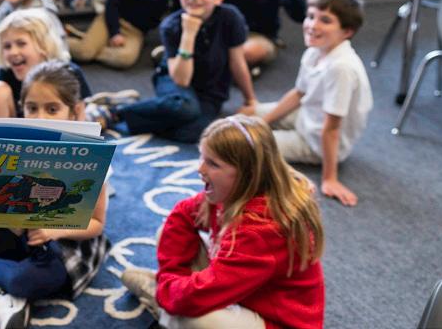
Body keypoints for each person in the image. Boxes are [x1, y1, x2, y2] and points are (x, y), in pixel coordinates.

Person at [0, 61, 110, 329]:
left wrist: (54, 232)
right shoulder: (15, 148)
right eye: (32, 108)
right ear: (21, 108)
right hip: (15, 229)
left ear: (74, 112)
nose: (41, 117)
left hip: (62, 242)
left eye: (52, 109)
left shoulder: (93, 157)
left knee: (21, 281)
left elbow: (97, 224)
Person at [121, 115, 325, 329]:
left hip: (275, 320)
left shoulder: (262, 231)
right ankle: (168, 299)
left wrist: (170, 291)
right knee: (167, 231)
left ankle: (161, 301)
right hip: (242, 291)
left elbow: (194, 299)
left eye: (212, 163)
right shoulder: (235, 191)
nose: (200, 169)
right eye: (202, 157)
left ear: (247, 174)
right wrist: (173, 278)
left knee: (195, 318)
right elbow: (182, 215)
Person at [86, 0, 256, 143]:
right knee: (186, 107)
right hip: (174, 79)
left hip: (210, 92)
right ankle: (115, 112)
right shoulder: (171, 25)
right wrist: (189, 34)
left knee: (193, 132)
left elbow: (237, 62)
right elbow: (181, 80)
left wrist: (250, 100)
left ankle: (141, 108)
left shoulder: (231, 18)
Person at [241, 0, 372, 207]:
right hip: (307, 115)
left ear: (347, 31)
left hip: (317, 142)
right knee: (246, 116)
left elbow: (331, 129)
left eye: (325, 20)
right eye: (311, 16)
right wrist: (263, 122)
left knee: (247, 146)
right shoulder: (315, 50)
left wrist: (329, 178)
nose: (313, 25)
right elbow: (298, 93)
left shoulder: (341, 68)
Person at [0, 9, 90, 121]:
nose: (13, 52)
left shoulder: (69, 73)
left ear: (43, 45)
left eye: (21, 44)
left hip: (58, 135)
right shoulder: (7, 74)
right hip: (17, 135)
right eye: (7, 46)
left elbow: (81, 118)